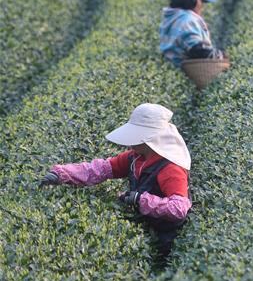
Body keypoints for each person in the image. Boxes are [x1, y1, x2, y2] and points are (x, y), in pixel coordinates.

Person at [39, 103, 192, 262]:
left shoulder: (170, 168)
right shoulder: (135, 157)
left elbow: (179, 208)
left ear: (150, 139)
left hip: (167, 235)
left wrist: (140, 200)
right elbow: (101, 169)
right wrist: (62, 174)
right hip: (145, 227)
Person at [159, 0, 225, 68]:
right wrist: (219, 56)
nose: (202, 5)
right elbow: (197, 50)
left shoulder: (171, 16)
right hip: (187, 71)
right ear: (196, 0)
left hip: (168, 67)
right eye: (202, 1)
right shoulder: (188, 20)